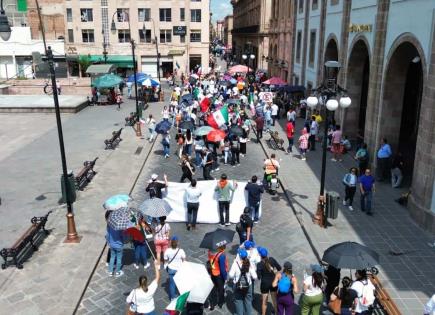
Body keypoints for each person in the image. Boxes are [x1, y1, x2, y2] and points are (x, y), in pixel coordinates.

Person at [229, 248, 258, 315]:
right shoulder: (249, 263)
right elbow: (255, 276)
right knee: (248, 301)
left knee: (238, 301)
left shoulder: (235, 263)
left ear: (239, 255)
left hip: (237, 285)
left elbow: (230, 275)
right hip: (248, 286)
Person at [257, 247, 282, 315]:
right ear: (267, 253)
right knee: (274, 299)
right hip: (273, 282)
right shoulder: (272, 260)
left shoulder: (259, 264)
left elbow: (259, 277)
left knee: (264, 302)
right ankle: (277, 313)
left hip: (264, 284)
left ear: (260, 255)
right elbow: (279, 268)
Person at [164, 236, 186, 300]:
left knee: (172, 284)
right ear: (177, 243)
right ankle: (181, 295)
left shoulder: (167, 251)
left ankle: (172, 298)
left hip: (171, 269)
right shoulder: (181, 251)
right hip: (179, 269)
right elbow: (184, 260)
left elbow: (165, 260)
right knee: (180, 282)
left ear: (171, 243)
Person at [208, 245, 229, 310]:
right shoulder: (221, 255)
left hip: (212, 273)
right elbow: (222, 269)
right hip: (219, 275)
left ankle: (212, 304)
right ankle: (220, 303)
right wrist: (225, 278)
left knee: (213, 289)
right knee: (221, 289)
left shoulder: (209, 252)